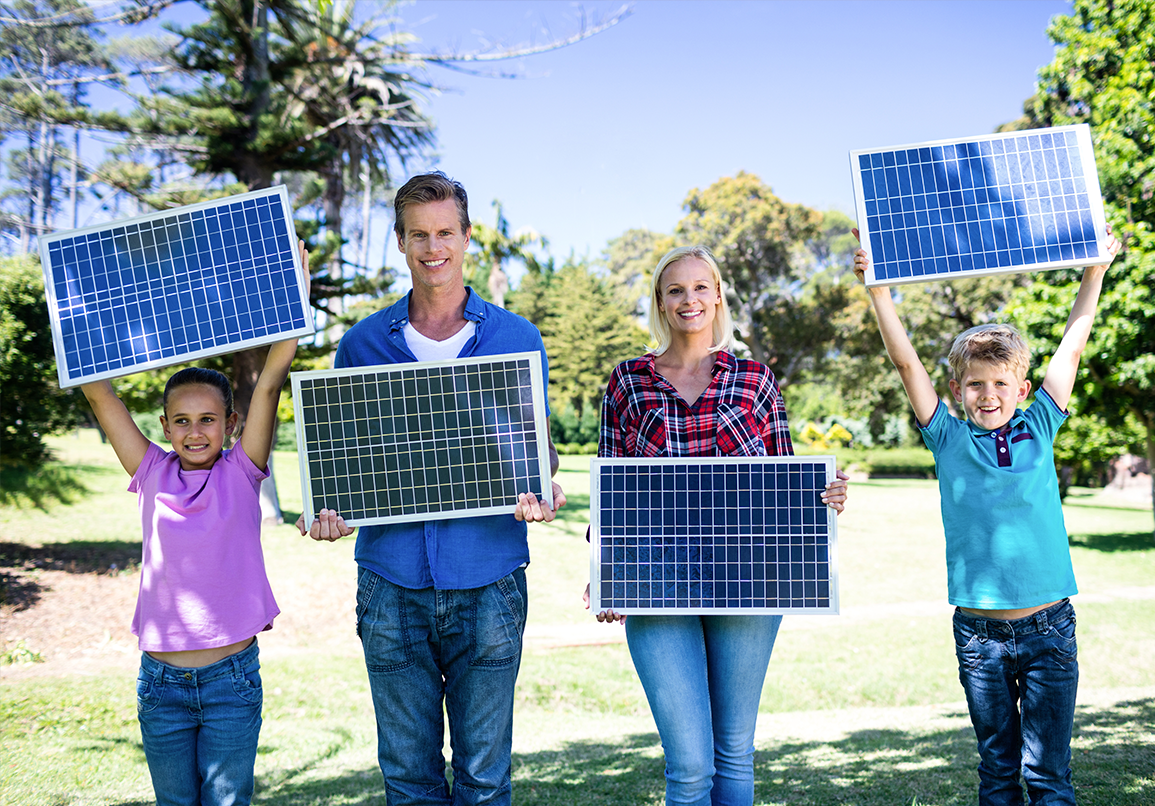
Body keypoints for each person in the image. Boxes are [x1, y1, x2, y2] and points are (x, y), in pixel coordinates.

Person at [300, 171, 566, 806]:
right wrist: (331, 511)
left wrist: (543, 484)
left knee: (485, 781)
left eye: (445, 232)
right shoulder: (362, 345)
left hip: (490, 581)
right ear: (400, 241)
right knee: (408, 782)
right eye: (418, 234)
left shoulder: (517, 338)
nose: (433, 246)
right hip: (391, 586)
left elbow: (537, 447)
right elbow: (347, 461)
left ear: (467, 237)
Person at [853, 225, 1121, 805]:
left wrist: (1094, 272)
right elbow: (906, 364)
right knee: (998, 771)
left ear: (1023, 389)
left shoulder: (1041, 424)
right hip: (979, 637)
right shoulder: (947, 438)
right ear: (957, 389)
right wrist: (878, 291)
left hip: (1050, 629)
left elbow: (1072, 347)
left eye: (1002, 382)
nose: (989, 394)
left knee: (1048, 775)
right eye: (975, 384)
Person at [585, 245, 849, 806]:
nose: (690, 299)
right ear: (660, 301)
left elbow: (785, 485)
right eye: (676, 289)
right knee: (688, 765)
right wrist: (607, 573)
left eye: (701, 287)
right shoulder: (627, 381)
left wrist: (826, 494)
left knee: (733, 752)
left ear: (719, 295)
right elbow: (611, 490)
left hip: (747, 580)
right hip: (657, 581)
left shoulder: (755, 379)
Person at [80, 241, 310, 806]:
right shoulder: (151, 471)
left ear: (230, 424)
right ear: (164, 426)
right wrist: (77, 308)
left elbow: (271, 380)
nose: (194, 431)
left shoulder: (242, 471)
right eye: (181, 421)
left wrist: (296, 302)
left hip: (232, 680)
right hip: (161, 687)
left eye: (208, 419)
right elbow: (100, 394)